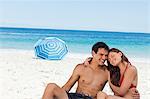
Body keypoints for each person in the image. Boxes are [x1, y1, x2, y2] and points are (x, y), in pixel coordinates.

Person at [42, 42, 109, 99]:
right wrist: (57, 95)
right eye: (101, 54)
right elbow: (67, 87)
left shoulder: (107, 72)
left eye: (106, 55)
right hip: (75, 97)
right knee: (51, 86)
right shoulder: (81, 67)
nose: (104, 58)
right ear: (93, 53)